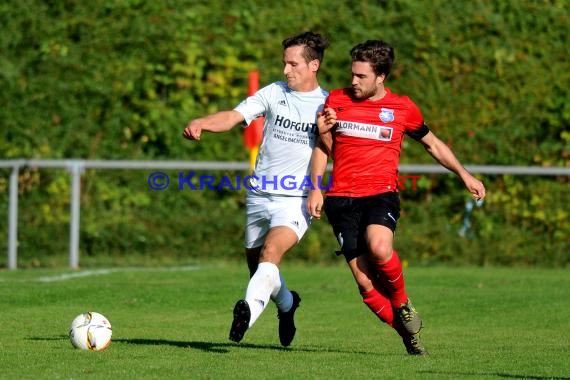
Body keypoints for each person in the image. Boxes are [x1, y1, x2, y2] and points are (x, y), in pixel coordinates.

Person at [308, 40, 486, 355]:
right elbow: (324, 147)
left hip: (380, 194)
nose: (353, 81)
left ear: (381, 77)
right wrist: (315, 186)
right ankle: (408, 336)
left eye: (361, 76)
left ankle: (402, 303)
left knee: (380, 247)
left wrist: (464, 173)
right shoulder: (336, 100)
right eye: (352, 74)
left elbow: (433, 144)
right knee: (365, 284)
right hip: (341, 199)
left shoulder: (402, 108)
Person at [183, 31, 330, 347]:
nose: (286, 70)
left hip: (295, 198)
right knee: (260, 269)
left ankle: (246, 313)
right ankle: (288, 305)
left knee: (271, 253)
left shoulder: (327, 104)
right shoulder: (274, 92)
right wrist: (203, 122)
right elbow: (235, 116)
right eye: (284, 63)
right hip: (259, 195)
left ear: (314, 65)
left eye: (293, 64)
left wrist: (318, 186)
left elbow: (331, 150)